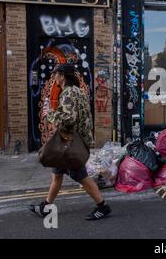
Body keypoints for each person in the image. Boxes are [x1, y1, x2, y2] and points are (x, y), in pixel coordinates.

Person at [30, 63, 112, 220]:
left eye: (55, 74)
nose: (54, 77)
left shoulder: (68, 93)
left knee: (80, 175)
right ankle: (46, 206)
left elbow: (69, 119)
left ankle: (103, 206)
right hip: (71, 141)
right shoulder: (76, 91)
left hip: (73, 143)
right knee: (57, 174)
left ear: (62, 76)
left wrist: (50, 114)